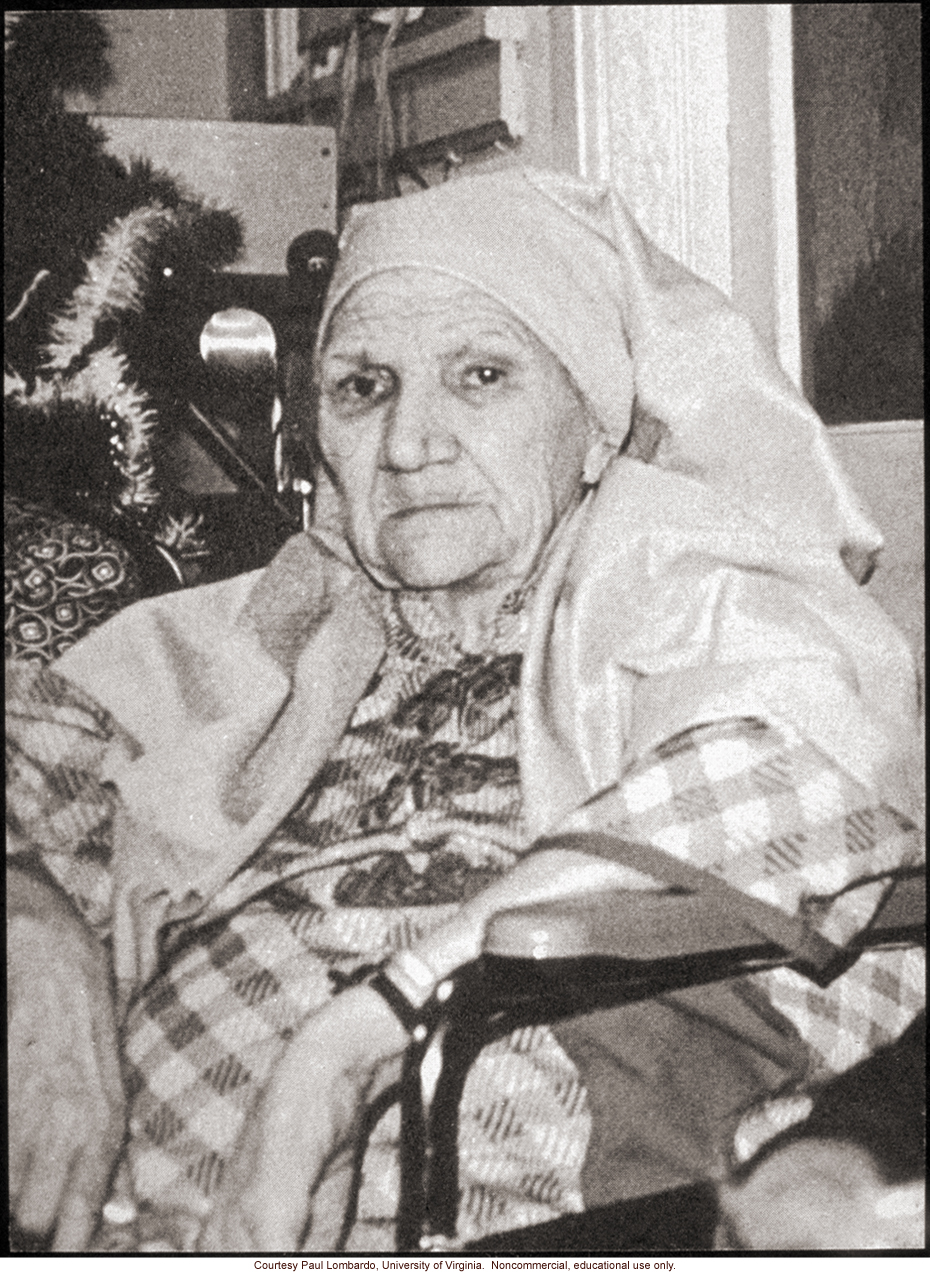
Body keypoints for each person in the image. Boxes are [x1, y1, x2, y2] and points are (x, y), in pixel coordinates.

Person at [6, 167, 924, 1253]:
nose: (407, 443)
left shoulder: (695, 589)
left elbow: (785, 775)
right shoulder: (268, 627)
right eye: (362, 387)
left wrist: (357, 1037)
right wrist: (36, 926)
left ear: (593, 427)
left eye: (480, 376)